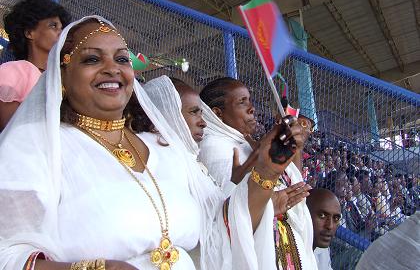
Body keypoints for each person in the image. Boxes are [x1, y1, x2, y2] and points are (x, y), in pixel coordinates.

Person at [0, 16, 306, 270]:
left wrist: (265, 171)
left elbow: (223, 231)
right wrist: (98, 268)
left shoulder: (166, 148)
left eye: (122, 58)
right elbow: (8, 255)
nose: (113, 68)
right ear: (62, 75)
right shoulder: (37, 146)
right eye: (92, 59)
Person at [199, 77, 317, 270]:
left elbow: (293, 179)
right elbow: (227, 213)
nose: (252, 108)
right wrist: (269, 202)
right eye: (241, 102)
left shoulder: (247, 143)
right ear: (218, 113)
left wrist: (297, 146)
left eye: (250, 100)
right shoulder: (214, 147)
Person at [0, 0, 71, 131]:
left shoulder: (66, 77)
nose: (61, 33)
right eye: (53, 26)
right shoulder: (13, 71)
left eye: (62, 28)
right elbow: (12, 133)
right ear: (29, 33)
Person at [307, 189, 341, 270]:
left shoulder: (323, 250)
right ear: (305, 213)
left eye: (336, 218)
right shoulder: (284, 245)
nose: (330, 226)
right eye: (322, 215)